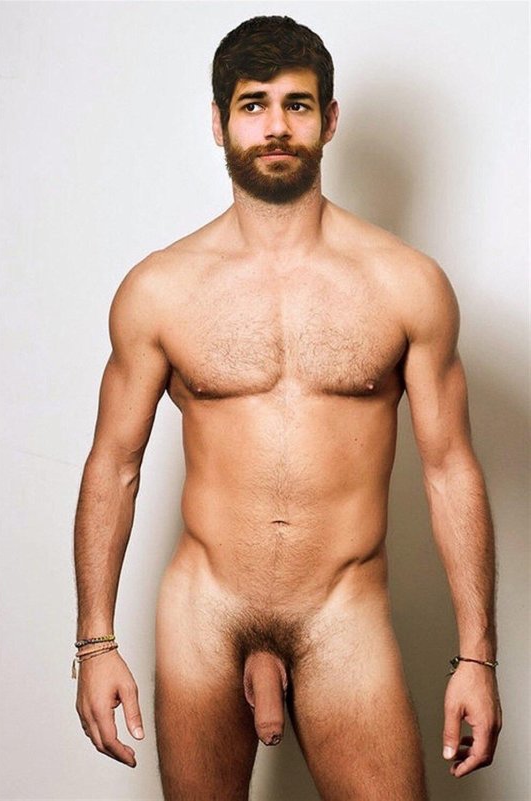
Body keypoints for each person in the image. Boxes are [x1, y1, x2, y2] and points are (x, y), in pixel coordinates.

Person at [73, 15, 502, 801]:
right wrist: (94, 643)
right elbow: (115, 463)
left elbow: (449, 470)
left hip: (341, 609)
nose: (275, 126)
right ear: (218, 122)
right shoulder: (161, 288)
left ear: (329, 119)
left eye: (296, 105)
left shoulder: (404, 284)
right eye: (253, 104)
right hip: (205, 608)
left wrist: (476, 656)